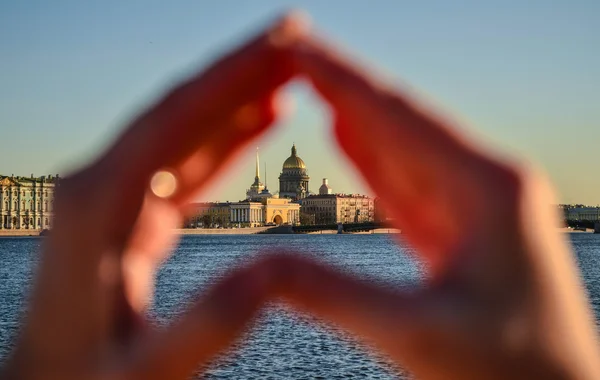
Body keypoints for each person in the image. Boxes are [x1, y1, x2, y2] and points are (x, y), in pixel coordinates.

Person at [2, 12, 599, 380]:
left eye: (296, 190)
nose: (295, 192)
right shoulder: (281, 203)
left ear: (299, 186)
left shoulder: (305, 199)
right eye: (292, 191)